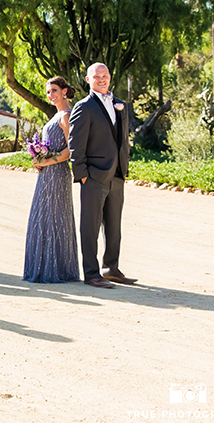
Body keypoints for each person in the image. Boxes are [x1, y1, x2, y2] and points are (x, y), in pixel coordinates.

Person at [68, 63, 136, 289]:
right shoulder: (83, 107)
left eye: (104, 75)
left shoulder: (120, 105)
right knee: (90, 226)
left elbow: (122, 139)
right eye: (96, 76)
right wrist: (83, 175)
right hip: (94, 177)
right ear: (88, 80)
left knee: (114, 226)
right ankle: (91, 273)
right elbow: (75, 144)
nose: (101, 79)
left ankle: (111, 268)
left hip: (117, 175)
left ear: (110, 78)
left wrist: (123, 169)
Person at [23, 76, 79, 283]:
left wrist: (46, 162)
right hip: (47, 174)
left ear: (64, 91)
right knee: (44, 217)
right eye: (48, 92)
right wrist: (39, 160)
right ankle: (45, 267)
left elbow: (70, 150)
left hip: (58, 173)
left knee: (56, 218)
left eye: (54, 90)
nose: (50, 95)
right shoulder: (55, 115)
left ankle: (58, 270)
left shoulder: (66, 116)